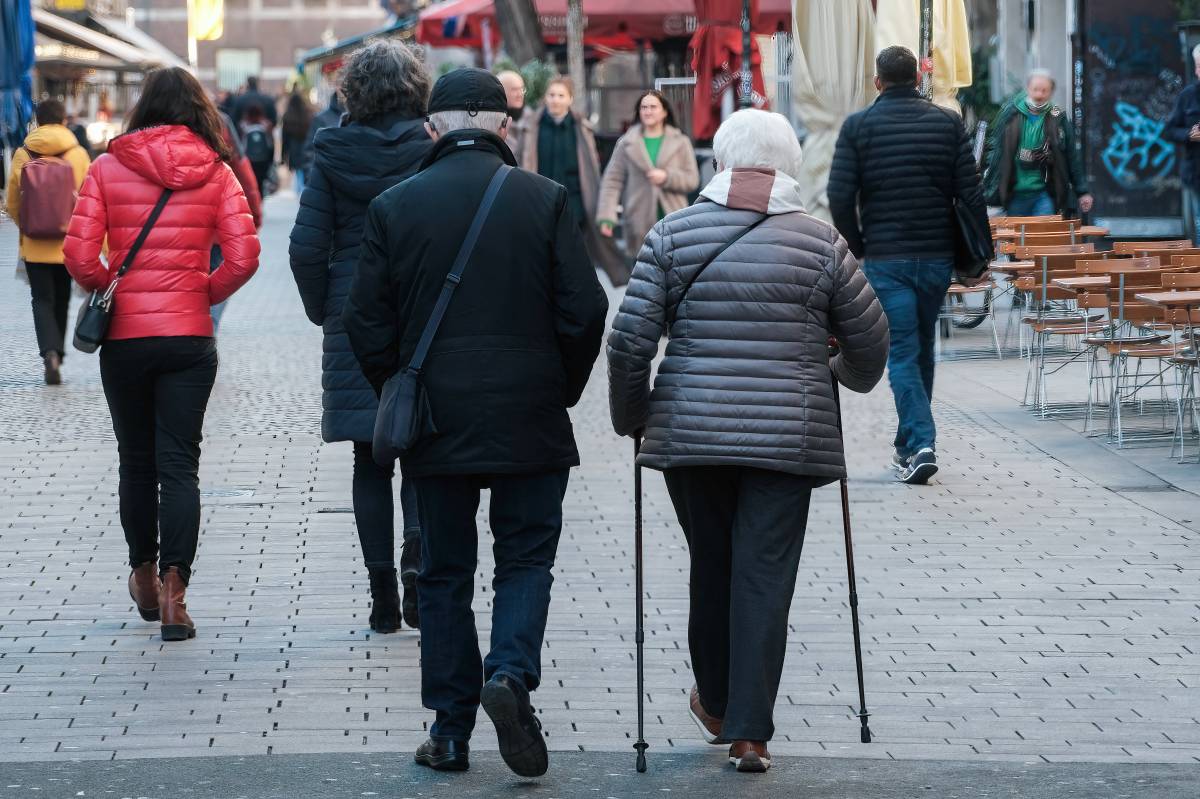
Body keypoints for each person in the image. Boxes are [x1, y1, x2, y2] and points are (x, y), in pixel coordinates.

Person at [342, 68, 608, 777]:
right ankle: (512, 674)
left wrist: (400, 386)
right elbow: (587, 311)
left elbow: (364, 320)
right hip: (530, 413)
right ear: (506, 125)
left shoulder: (395, 206)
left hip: (437, 420)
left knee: (443, 572)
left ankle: (451, 729)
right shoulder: (545, 199)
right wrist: (560, 387)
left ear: (432, 127)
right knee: (526, 557)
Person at [608, 108, 888, 773]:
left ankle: (717, 699)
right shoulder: (821, 243)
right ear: (788, 164)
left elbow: (628, 342)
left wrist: (633, 415)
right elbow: (871, 344)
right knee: (764, 574)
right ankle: (749, 732)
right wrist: (836, 374)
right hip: (789, 435)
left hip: (692, 432)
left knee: (712, 560)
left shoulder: (674, 234)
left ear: (719, 161)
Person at [62, 67, 260, 642]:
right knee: (180, 464)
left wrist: (111, 286)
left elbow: (78, 256)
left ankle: (144, 578)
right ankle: (177, 596)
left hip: (125, 339)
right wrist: (199, 294)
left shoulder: (106, 166)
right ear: (199, 109)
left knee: (137, 461)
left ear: (142, 108)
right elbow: (244, 257)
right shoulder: (217, 170)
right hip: (188, 340)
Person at [289, 41, 432, 634]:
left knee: (367, 458)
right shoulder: (432, 152)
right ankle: (419, 580)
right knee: (422, 453)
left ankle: (380, 595)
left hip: (354, 315)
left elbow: (303, 248)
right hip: (423, 315)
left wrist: (328, 308)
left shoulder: (331, 155)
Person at [828, 45, 988, 485]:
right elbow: (970, 194)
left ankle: (920, 442)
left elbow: (839, 195)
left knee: (902, 352)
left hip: (887, 257)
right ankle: (909, 446)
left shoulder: (859, 127)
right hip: (936, 256)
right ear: (918, 79)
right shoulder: (946, 123)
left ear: (877, 81)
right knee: (921, 349)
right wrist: (978, 255)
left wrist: (858, 245)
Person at [5, 99, 92, 385]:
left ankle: (49, 354)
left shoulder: (23, 153)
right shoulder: (77, 154)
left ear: (38, 122)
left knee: (41, 299)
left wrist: (27, 226)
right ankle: (60, 354)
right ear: (64, 120)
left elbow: (13, 202)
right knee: (62, 298)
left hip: (34, 245)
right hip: (68, 244)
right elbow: (90, 200)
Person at [517, 76, 629, 285]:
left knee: (574, 258)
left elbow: (592, 169)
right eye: (551, 95)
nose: (555, 100)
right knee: (543, 256)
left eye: (561, 96)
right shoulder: (531, 127)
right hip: (539, 203)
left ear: (570, 99)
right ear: (545, 98)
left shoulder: (581, 128)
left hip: (576, 204)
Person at [597, 90, 699, 258]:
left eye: (653, 107)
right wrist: (607, 216)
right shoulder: (626, 143)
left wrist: (667, 177)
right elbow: (612, 181)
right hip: (638, 219)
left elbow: (692, 179)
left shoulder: (681, 142)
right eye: (644, 107)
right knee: (641, 275)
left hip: (673, 218)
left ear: (665, 112)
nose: (648, 111)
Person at [983, 69, 1092, 217]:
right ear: (1028, 89)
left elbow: (1072, 157)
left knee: (1041, 237)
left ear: (1051, 92)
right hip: (1015, 195)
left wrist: (1082, 191)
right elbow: (997, 154)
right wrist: (990, 187)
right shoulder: (1011, 115)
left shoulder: (1058, 117)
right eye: (1035, 89)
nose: (1039, 95)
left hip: (1045, 194)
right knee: (1018, 238)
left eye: (1044, 90)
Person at [211, 109, 264, 332]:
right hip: (214, 227)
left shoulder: (142, 128)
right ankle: (207, 325)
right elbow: (241, 166)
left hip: (156, 232)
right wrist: (255, 211)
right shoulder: (219, 120)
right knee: (215, 271)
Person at [1166, 45, 1200, 243]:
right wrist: (1189, 134)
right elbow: (1170, 130)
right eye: (1199, 66)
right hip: (1196, 173)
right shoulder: (1187, 96)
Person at [301, 92, 344, 176]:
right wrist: (311, 178)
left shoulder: (364, 118)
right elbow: (310, 151)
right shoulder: (321, 119)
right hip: (327, 183)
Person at [280, 90, 314, 196]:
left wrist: (283, 155)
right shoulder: (308, 115)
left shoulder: (288, 116)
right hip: (306, 147)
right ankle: (303, 190)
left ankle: (299, 191)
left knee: (298, 171)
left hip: (293, 148)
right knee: (304, 170)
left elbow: (284, 138)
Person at [240, 104, 275, 197]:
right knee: (261, 183)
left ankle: (253, 203)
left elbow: (241, 145)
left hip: (249, 160)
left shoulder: (243, 126)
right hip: (263, 160)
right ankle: (260, 203)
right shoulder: (267, 125)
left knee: (251, 183)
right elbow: (271, 144)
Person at [495, 70, 527, 159]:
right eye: (514, 90)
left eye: (522, 89)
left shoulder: (533, 120)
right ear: (501, 92)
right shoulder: (491, 125)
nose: (520, 94)